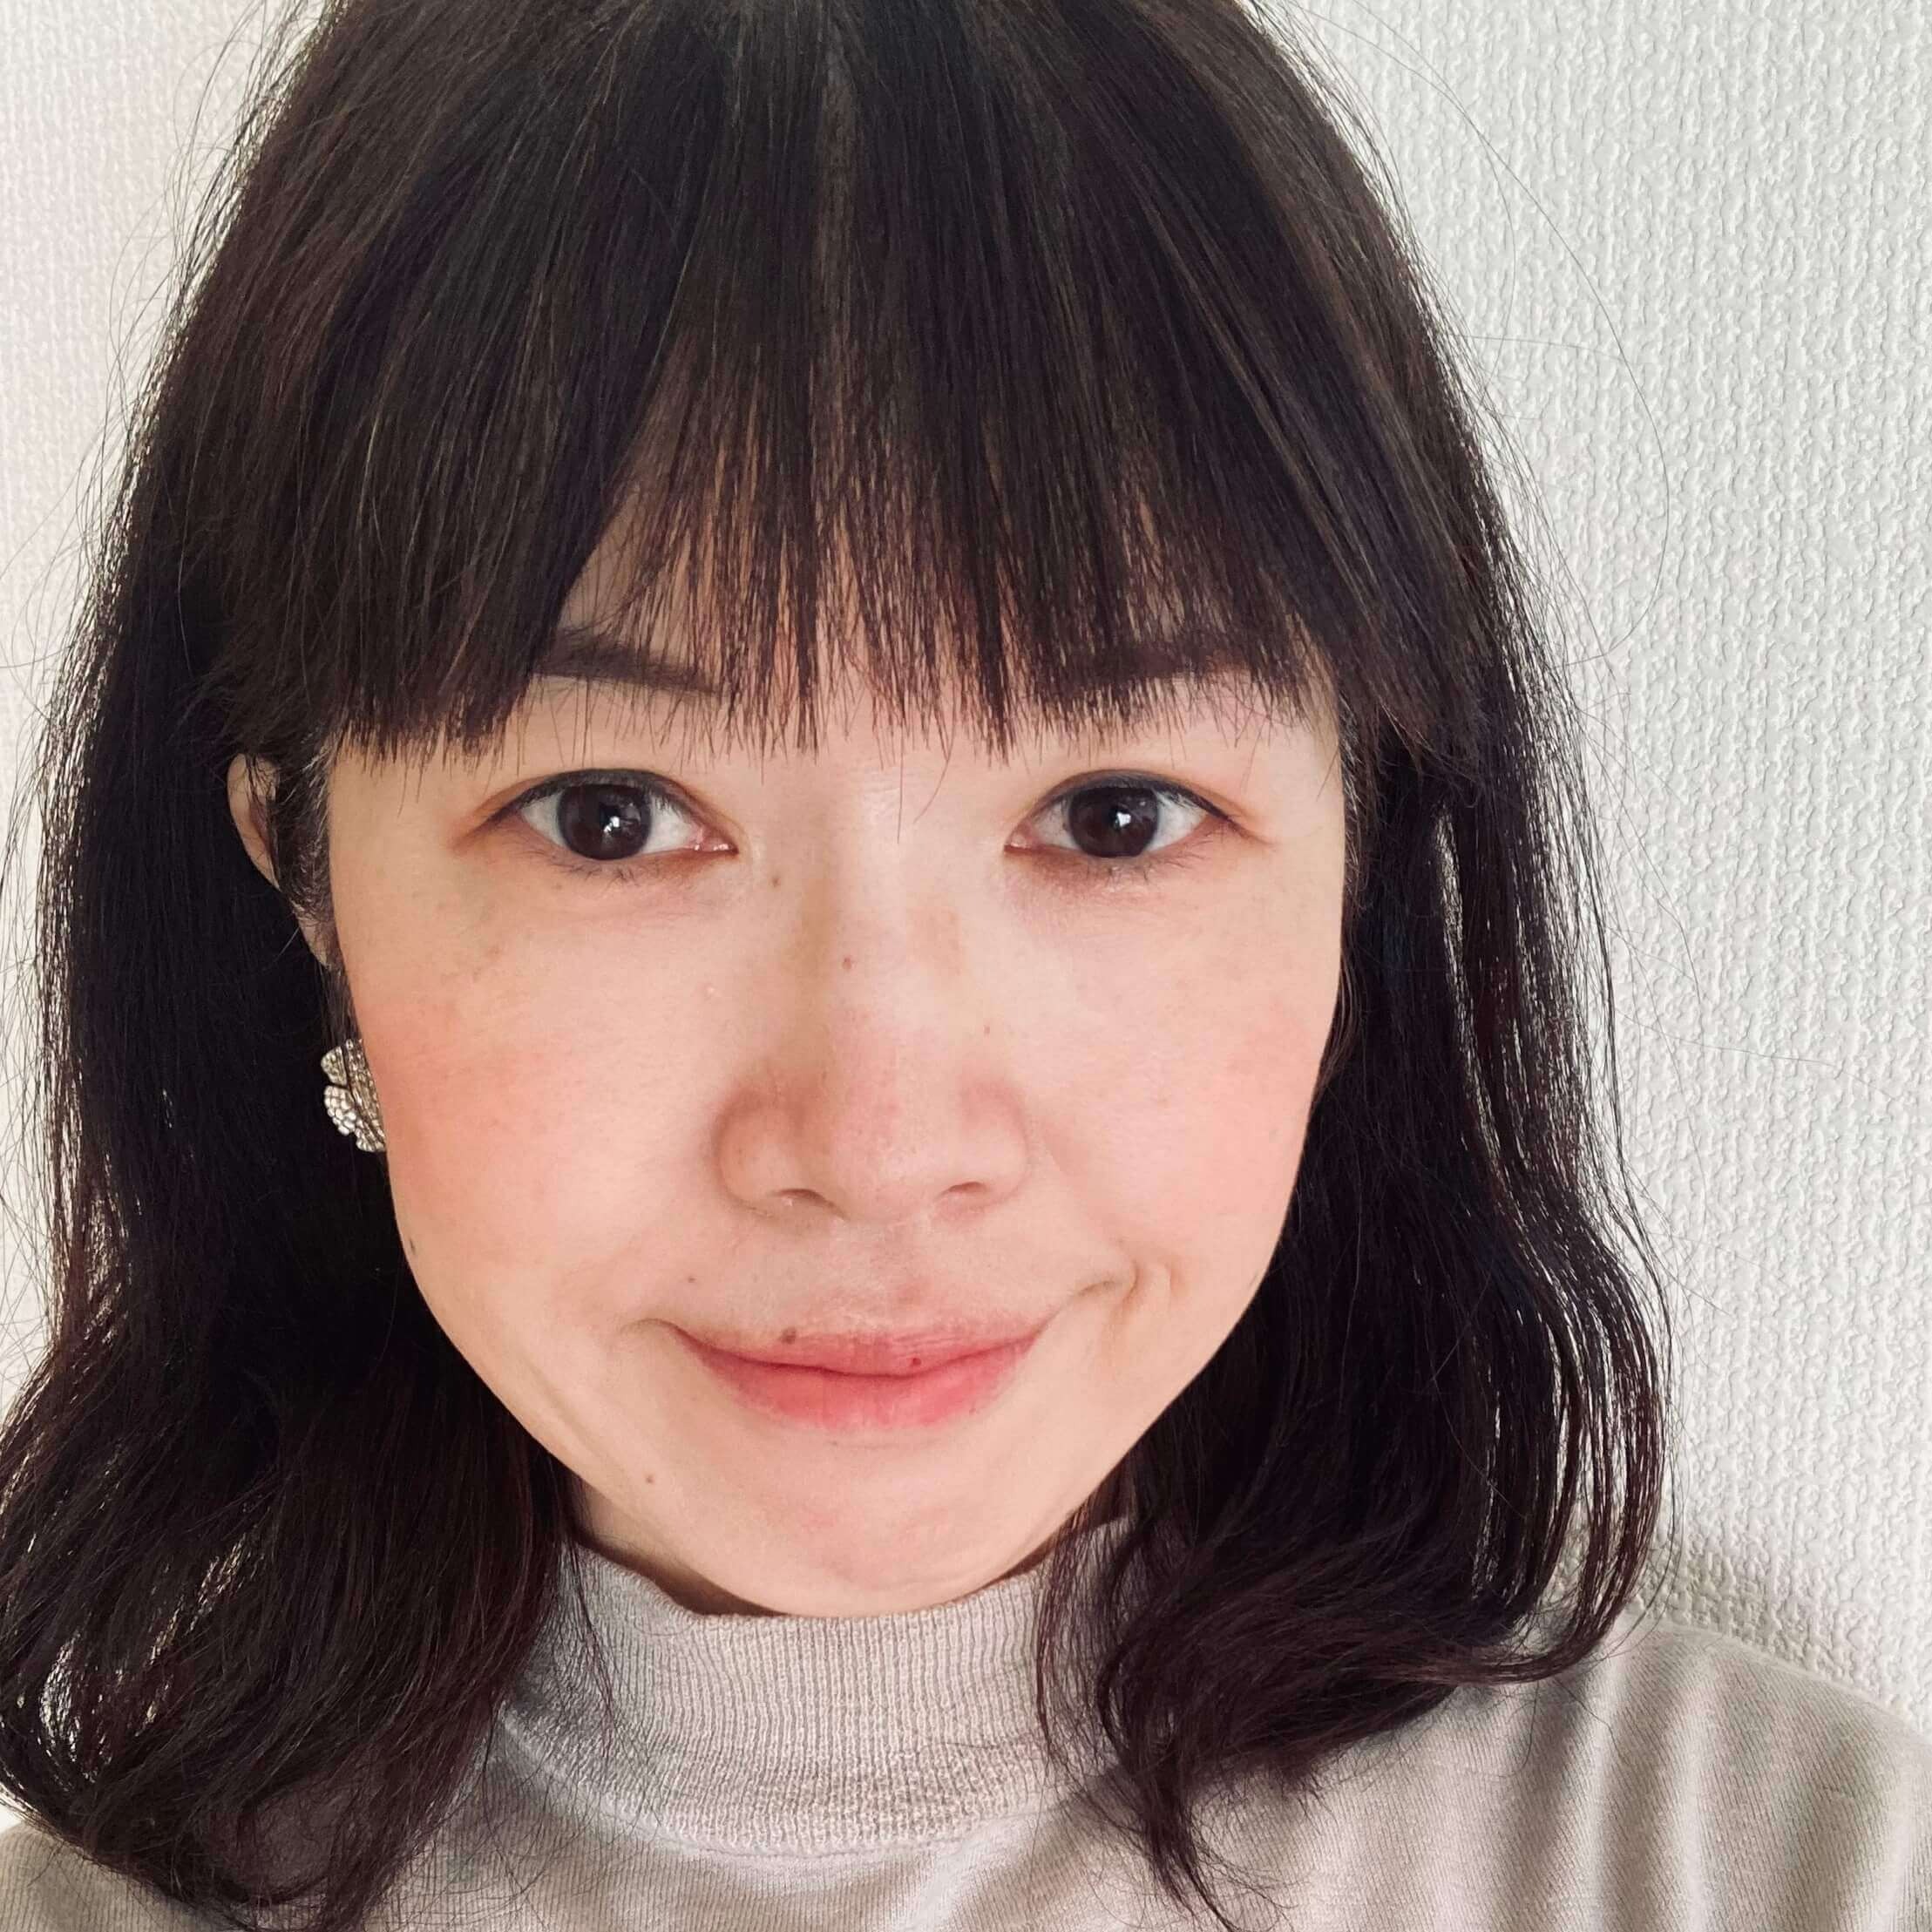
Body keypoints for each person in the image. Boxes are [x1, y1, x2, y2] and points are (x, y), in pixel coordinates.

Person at [0, 0, 1926, 1925]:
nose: (880, 1143)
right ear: (308, 882)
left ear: (1361, 872)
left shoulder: (1787, 1873)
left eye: (1112, 814)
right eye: (610, 814)